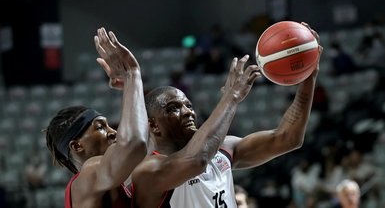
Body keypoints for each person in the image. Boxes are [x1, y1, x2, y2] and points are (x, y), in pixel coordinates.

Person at [107, 22, 322, 207]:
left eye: (188, 105)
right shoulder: (148, 172)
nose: (188, 112)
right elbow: (196, 159)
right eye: (173, 108)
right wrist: (231, 97)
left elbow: (288, 138)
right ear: (152, 125)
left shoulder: (224, 150)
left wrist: (308, 76)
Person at [44, 27, 148, 208]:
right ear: (77, 145)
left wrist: (127, 89)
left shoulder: (105, 177)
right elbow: (134, 143)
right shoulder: (90, 173)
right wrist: (133, 74)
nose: (113, 132)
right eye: (100, 127)